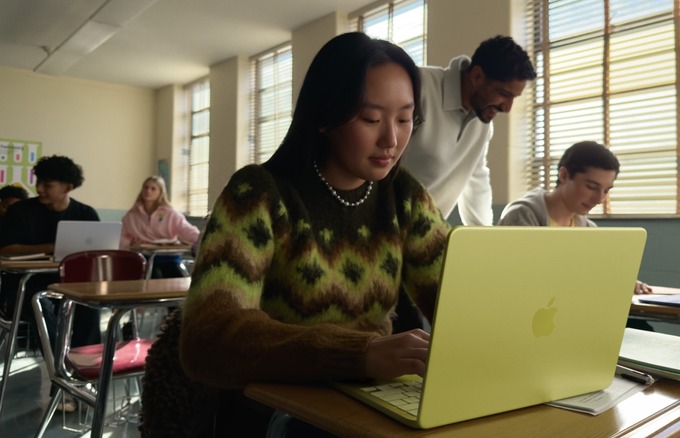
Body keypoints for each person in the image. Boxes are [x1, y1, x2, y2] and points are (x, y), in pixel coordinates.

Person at [140, 32, 450, 437]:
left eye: (406, 119)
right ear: (324, 116)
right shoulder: (258, 194)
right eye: (371, 119)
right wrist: (358, 355)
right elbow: (209, 339)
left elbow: (455, 297)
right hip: (272, 410)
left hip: (369, 400)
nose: (391, 139)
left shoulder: (404, 196)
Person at [0, 155, 102, 412]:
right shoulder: (20, 212)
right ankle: (64, 382)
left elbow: (99, 253)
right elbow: (6, 250)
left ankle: (83, 378)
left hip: (71, 287)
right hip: (28, 288)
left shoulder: (86, 214)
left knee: (90, 309)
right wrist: (51, 247)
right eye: (39, 183)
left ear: (68, 187)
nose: (40, 189)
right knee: (46, 310)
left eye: (48, 184)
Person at [402, 35, 537, 226]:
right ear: (477, 76)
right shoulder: (419, 86)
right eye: (504, 94)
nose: (507, 108)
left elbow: (476, 180)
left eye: (514, 98)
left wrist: (485, 239)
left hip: (423, 236)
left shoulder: (482, 124)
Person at [497, 141, 652, 296]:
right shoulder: (522, 216)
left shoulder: (588, 229)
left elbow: (597, 274)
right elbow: (522, 282)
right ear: (564, 175)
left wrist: (623, 281)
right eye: (591, 187)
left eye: (606, 190)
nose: (599, 199)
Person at [120, 175, 200, 278]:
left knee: (182, 279)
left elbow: (186, 230)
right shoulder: (131, 215)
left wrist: (201, 239)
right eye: (146, 187)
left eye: (153, 189)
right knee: (155, 277)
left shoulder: (171, 214)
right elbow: (123, 236)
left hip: (169, 258)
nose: (148, 191)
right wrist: (129, 246)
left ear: (160, 192)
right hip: (144, 258)